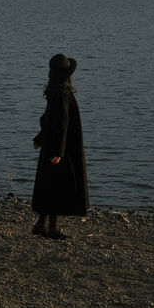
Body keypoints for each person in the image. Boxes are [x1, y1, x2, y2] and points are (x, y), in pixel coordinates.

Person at [31, 54, 89, 239]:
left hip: (51, 144)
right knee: (57, 185)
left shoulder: (54, 91)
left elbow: (47, 119)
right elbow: (62, 123)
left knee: (48, 184)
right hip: (60, 148)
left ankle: (40, 224)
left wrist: (40, 138)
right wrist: (59, 152)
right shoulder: (63, 93)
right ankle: (52, 229)